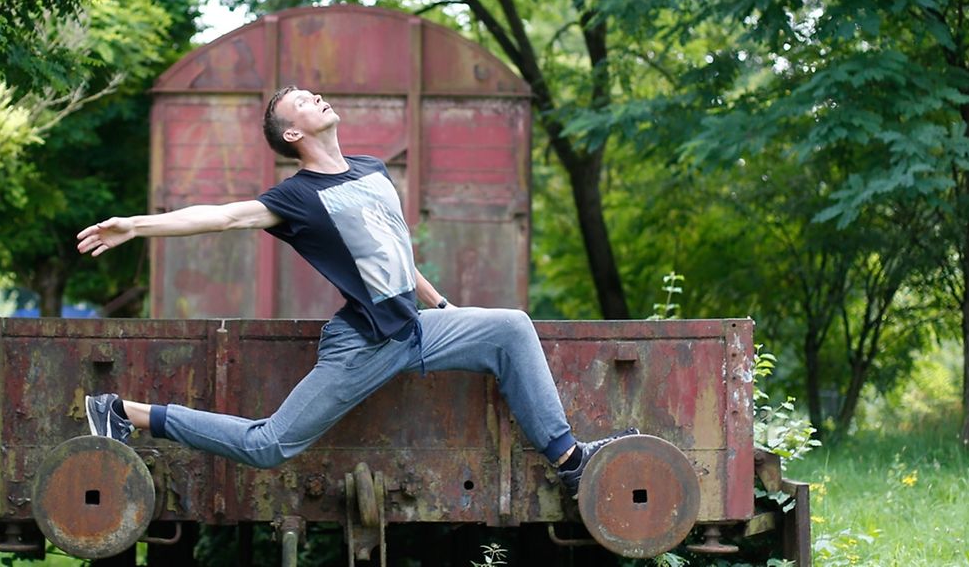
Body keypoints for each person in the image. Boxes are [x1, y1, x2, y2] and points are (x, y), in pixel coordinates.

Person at [76, 85, 636, 498]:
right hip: (363, 345)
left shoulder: (371, 169)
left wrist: (443, 308)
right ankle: (124, 412)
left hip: (415, 329)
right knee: (268, 446)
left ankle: (570, 461)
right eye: (302, 101)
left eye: (313, 93)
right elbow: (222, 217)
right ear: (292, 134)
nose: (316, 97)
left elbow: (394, 252)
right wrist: (136, 225)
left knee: (511, 325)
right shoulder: (296, 197)